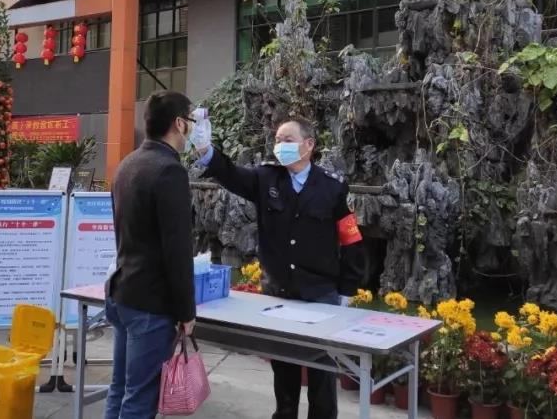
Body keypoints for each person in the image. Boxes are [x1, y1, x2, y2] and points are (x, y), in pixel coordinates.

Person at [196, 117, 366, 419]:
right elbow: (232, 175)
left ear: (308, 145)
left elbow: (351, 239)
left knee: (321, 371)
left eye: (288, 140)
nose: (280, 146)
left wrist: (347, 289)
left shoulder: (332, 187)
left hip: (319, 293)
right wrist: (205, 150)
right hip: (279, 293)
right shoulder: (266, 179)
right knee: (284, 367)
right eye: (277, 140)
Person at [104, 91, 197, 419]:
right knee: (140, 399)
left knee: (120, 389)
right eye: (192, 120)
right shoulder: (169, 171)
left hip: (123, 291)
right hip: (150, 303)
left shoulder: (128, 164)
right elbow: (177, 249)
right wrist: (186, 312)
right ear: (179, 123)